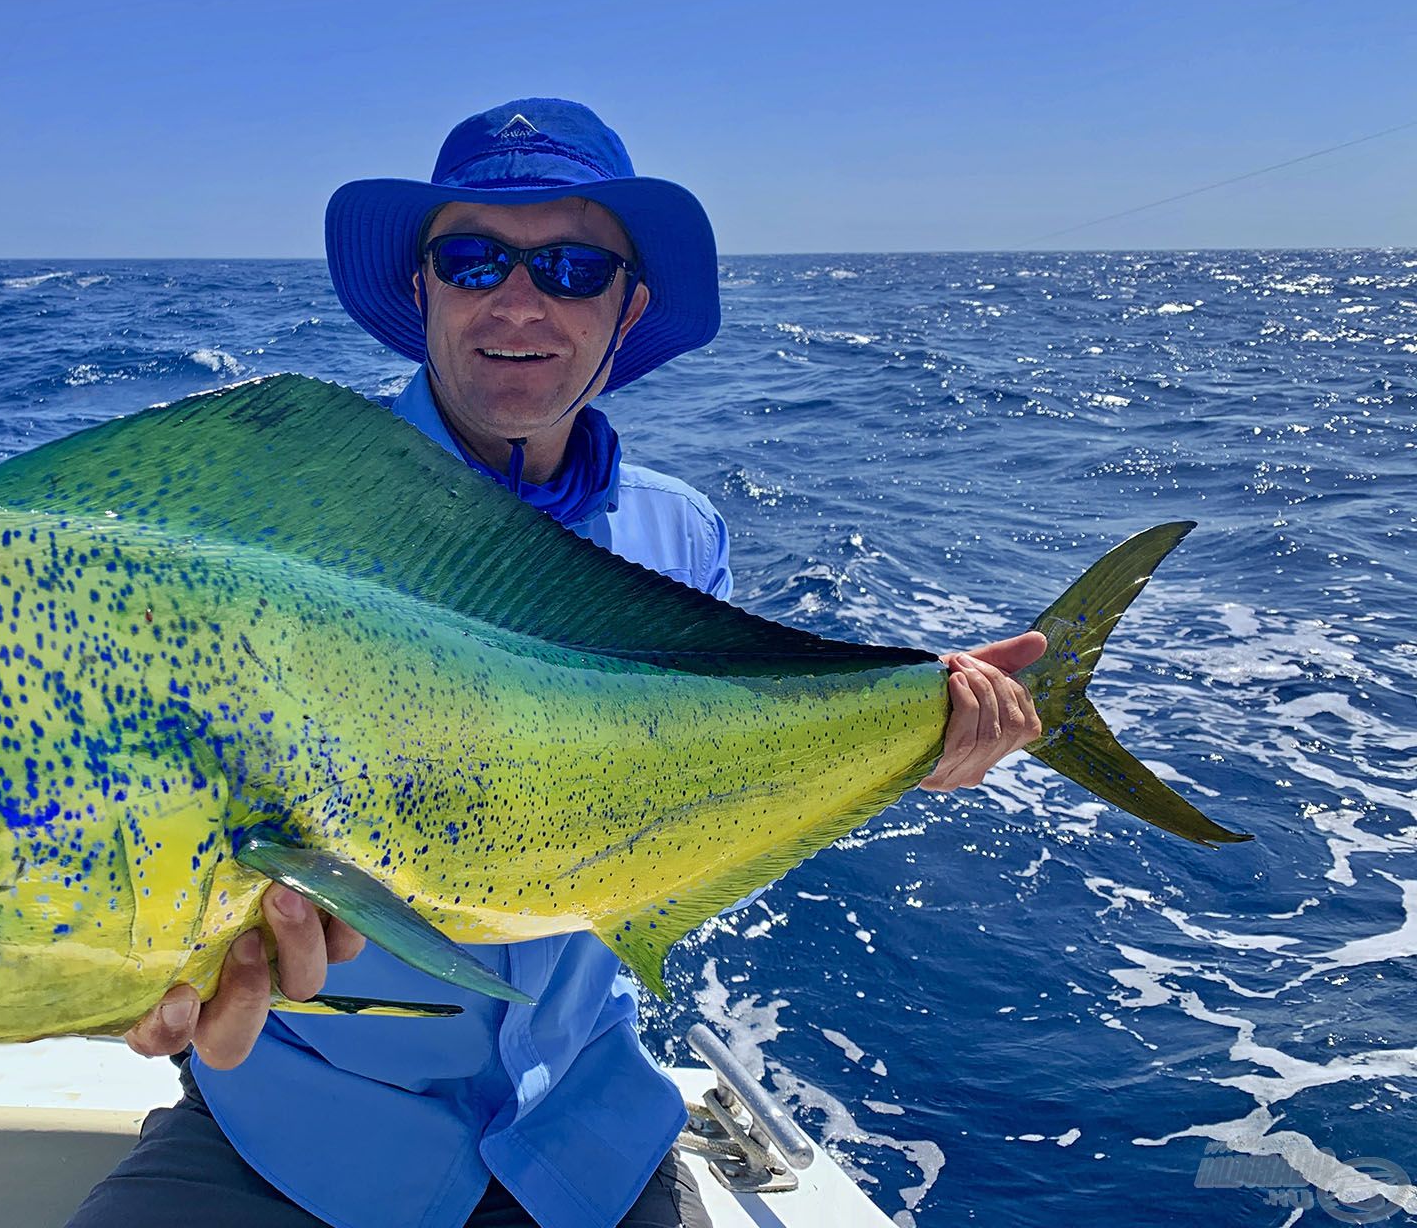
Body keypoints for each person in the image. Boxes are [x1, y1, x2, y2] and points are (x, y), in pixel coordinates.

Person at [68, 99, 1044, 1228]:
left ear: (627, 308)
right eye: (473, 259)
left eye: (574, 267)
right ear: (422, 288)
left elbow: (703, 800)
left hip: (587, 1139)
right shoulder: (275, 534)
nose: (519, 301)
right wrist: (121, 981)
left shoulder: (682, 537)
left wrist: (912, 744)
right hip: (301, 1134)